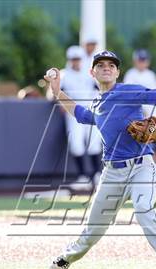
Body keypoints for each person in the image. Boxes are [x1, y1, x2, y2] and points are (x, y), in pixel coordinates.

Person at [44, 50, 156, 269]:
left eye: (111, 65)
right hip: (111, 172)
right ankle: (67, 257)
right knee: (94, 228)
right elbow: (80, 114)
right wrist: (57, 91)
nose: (106, 67)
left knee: (143, 210)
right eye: (101, 65)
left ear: (118, 72)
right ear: (93, 72)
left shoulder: (129, 91)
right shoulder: (98, 102)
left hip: (141, 166)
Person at [124, 49, 156, 187]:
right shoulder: (131, 75)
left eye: (144, 60)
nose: (142, 63)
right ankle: (151, 174)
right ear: (135, 61)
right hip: (139, 117)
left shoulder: (150, 74)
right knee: (144, 147)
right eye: (140, 60)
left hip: (153, 115)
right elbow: (131, 97)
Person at [60, 45, 102, 191]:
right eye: (73, 59)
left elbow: (99, 91)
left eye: (78, 59)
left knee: (94, 142)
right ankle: (83, 176)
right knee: (76, 144)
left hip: (90, 110)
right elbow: (57, 92)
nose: (76, 62)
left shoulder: (89, 74)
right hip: (74, 111)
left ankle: (97, 175)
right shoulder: (64, 74)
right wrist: (62, 103)